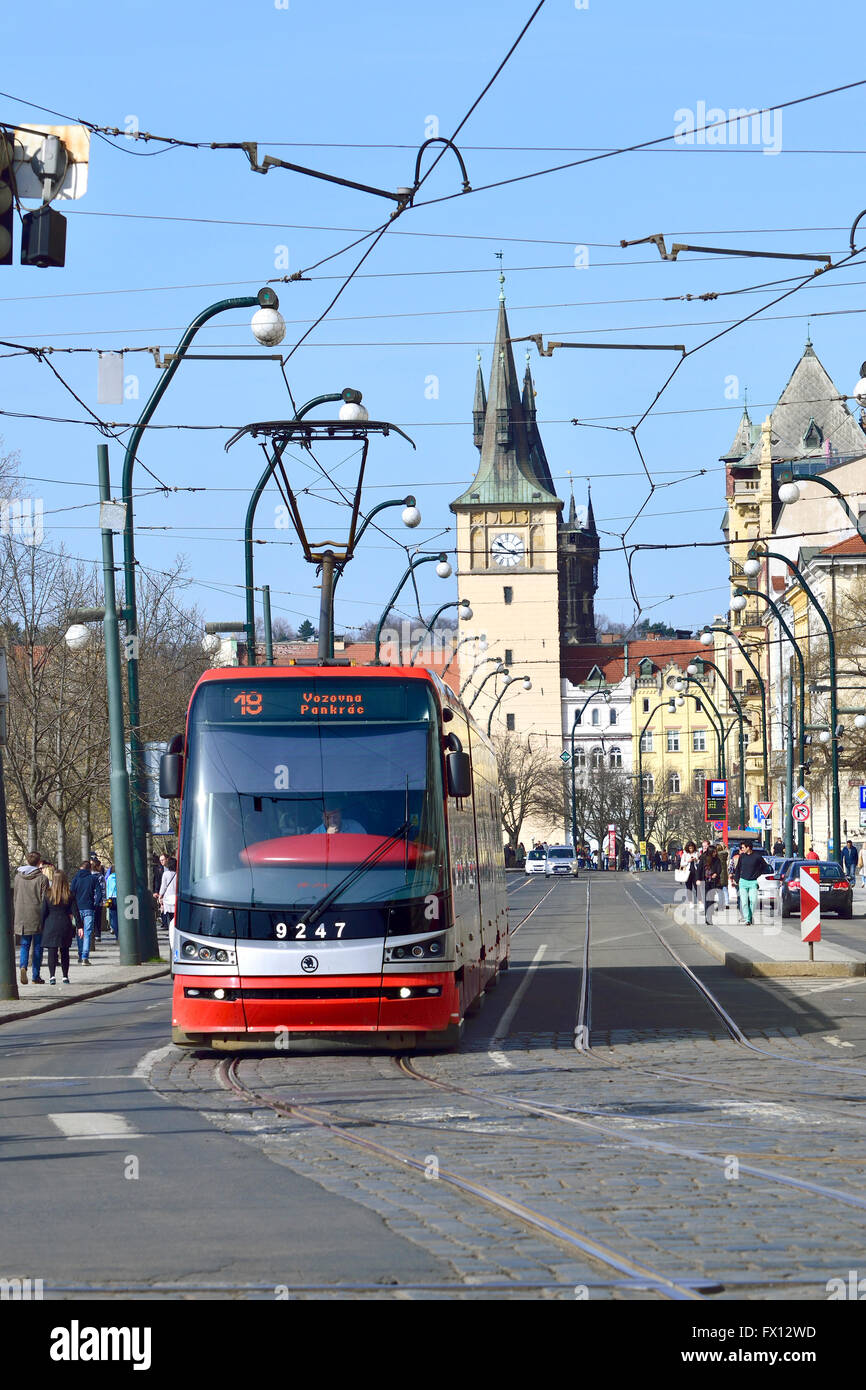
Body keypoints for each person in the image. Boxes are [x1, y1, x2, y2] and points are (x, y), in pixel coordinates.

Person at [41, 870, 83, 985]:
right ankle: (65, 976)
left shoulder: (48, 894)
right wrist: (80, 927)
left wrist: (41, 926)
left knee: (52, 951)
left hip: (51, 925)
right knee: (65, 951)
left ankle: (52, 976)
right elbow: (76, 912)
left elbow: (43, 913)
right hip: (65, 925)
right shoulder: (69, 894)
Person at [14, 850, 47, 984]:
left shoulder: (17, 877)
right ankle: (35, 976)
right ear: (39, 863)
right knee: (38, 946)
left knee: (25, 944)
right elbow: (45, 899)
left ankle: (23, 966)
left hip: (21, 913)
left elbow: (15, 896)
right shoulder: (42, 878)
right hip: (36, 913)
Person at [735, 842, 771, 926]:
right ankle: (747, 919)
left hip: (753, 882)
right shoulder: (742, 856)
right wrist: (736, 879)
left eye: (743, 847)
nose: (741, 849)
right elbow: (738, 868)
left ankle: (749, 917)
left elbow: (765, 866)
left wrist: (758, 874)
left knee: (753, 901)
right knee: (744, 902)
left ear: (748, 847)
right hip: (743, 881)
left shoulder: (757, 857)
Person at [70, 859, 96, 966]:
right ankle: (85, 956)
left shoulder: (75, 879)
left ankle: (80, 955)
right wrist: (96, 902)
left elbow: (71, 894)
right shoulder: (93, 879)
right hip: (89, 907)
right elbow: (98, 892)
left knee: (79, 931)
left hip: (77, 908)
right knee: (88, 932)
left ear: (81, 868)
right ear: (89, 868)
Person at [702, 844, 723, 924]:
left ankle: (709, 917)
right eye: (714, 852)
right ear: (710, 852)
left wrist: (716, 874)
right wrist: (698, 879)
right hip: (705, 881)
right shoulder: (703, 858)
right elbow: (700, 869)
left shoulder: (717, 860)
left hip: (713, 882)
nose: (715, 853)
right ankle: (707, 916)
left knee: (711, 900)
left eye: (716, 852)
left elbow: (719, 868)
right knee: (707, 899)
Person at [158, 855, 177, 940]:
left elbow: (163, 886)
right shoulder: (178, 874)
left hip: (168, 898)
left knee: (169, 917)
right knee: (175, 916)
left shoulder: (166, 874)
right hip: (176, 897)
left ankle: (171, 932)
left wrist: (160, 895)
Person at [105, 863, 118, 939]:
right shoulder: (121, 877)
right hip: (119, 897)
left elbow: (107, 888)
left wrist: (107, 899)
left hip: (111, 898)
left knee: (113, 917)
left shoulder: (109, 878)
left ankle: (116, 933)